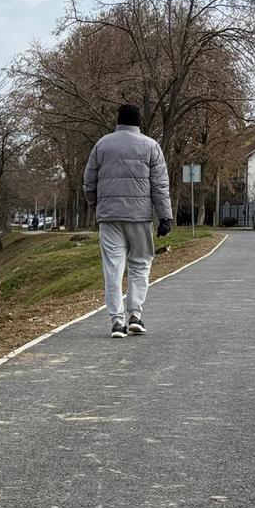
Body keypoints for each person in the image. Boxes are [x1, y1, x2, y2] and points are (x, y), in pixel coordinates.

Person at [83, 104, 172, 339]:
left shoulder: (102, 145)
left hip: (109, 217)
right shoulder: (151, 146)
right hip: (140, 217)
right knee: (140, 264)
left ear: (118, 120)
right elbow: (160, 186)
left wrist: (97, 206)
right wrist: (165, 217)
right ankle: (135, 315)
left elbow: (88, 182)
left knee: (113, 269)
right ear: (139, 122)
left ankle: (116, 321)